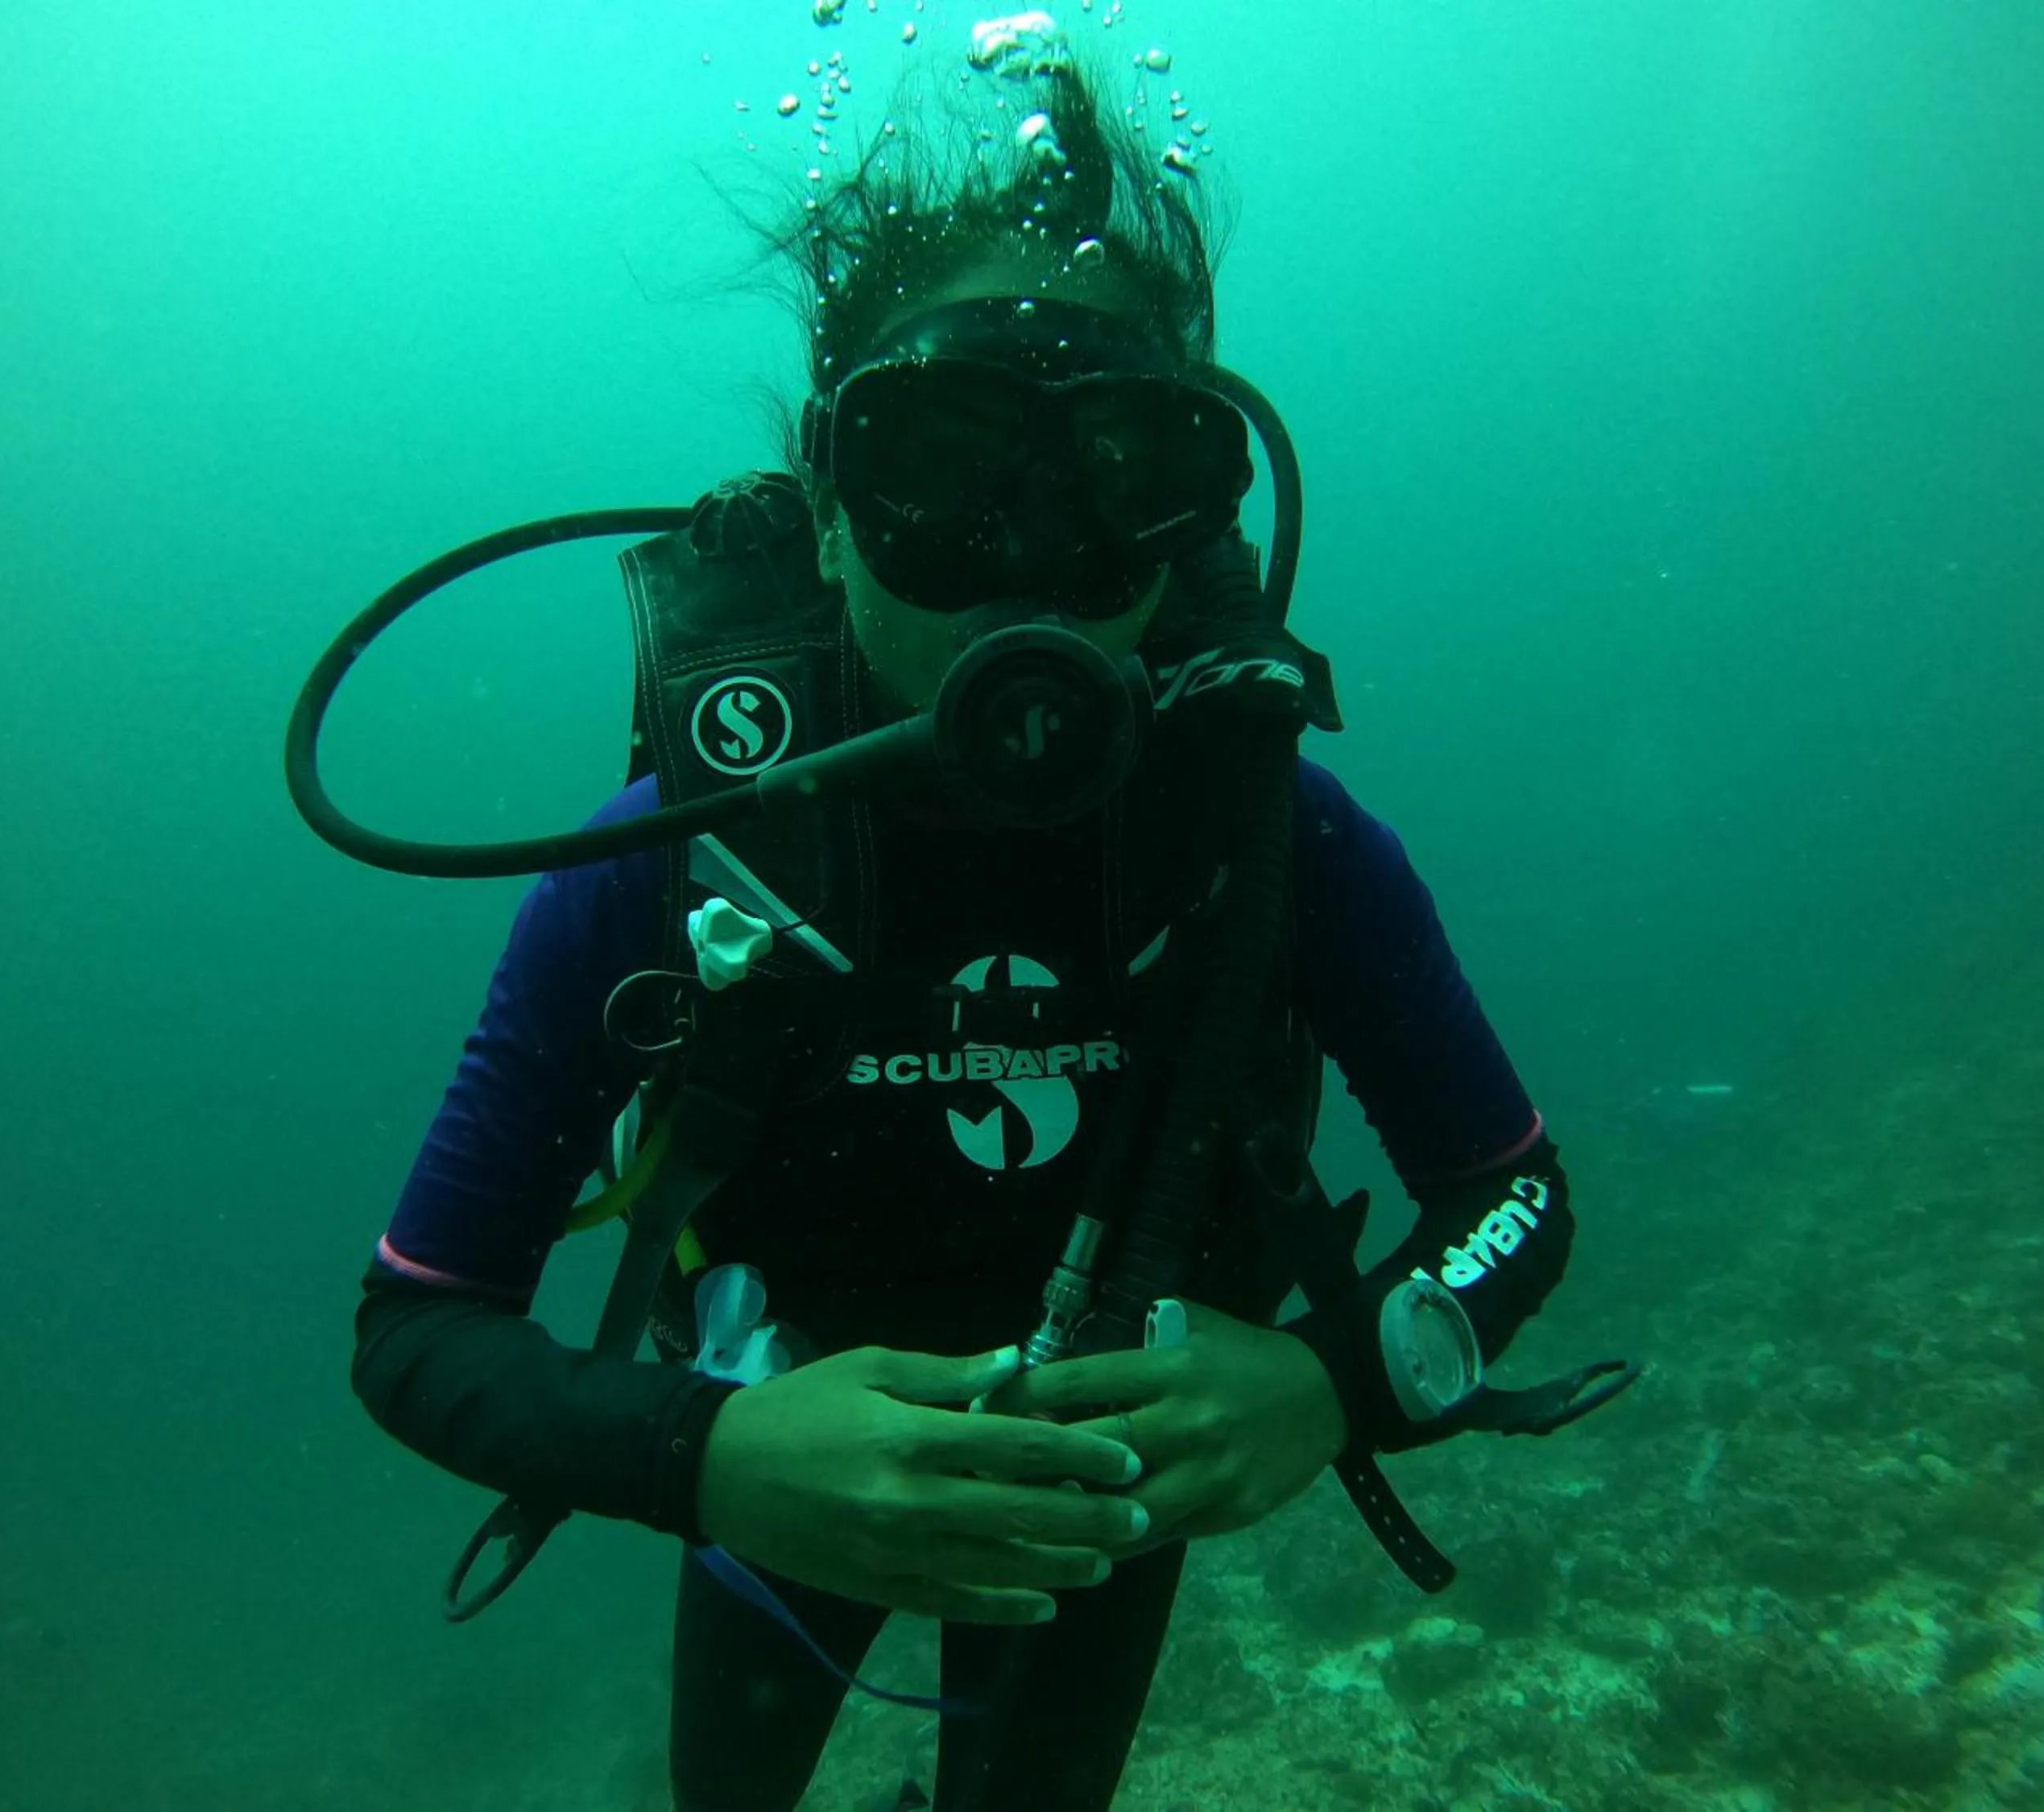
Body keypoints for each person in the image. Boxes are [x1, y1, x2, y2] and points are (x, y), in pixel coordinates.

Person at [347, 43, 1593, 1812]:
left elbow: (1518, 1193)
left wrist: (1340, 1382)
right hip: (772, 1451)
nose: (1026, 552)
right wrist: (711, 1458)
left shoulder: (1272, 839)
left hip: (1105, 1477)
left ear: (1192, 521)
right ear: (830, 502)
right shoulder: (679, 862)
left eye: (1114, 472)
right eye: (941, 461)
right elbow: (416, 1324)